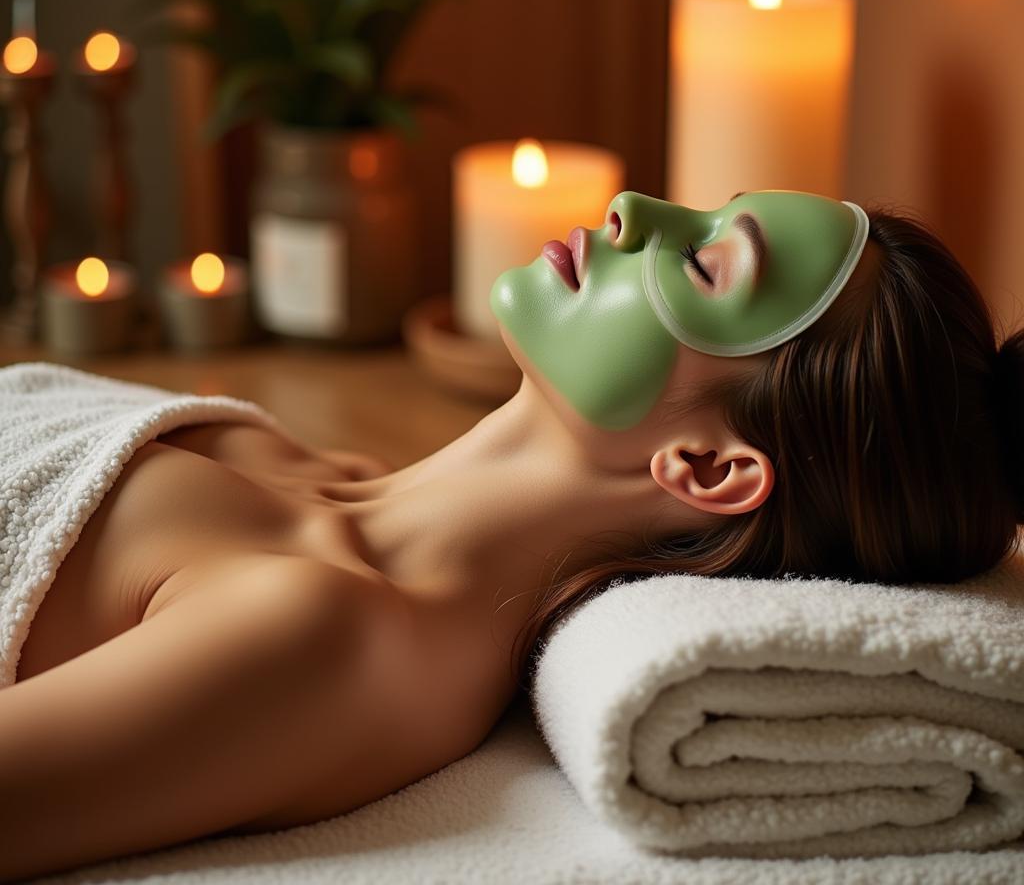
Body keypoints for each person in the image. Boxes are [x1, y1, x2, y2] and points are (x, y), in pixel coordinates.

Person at [0, 190, 1018, 879]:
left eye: (706, 266)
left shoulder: (328, 629)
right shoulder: (324, 475)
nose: (632, 210)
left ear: (709, 468)